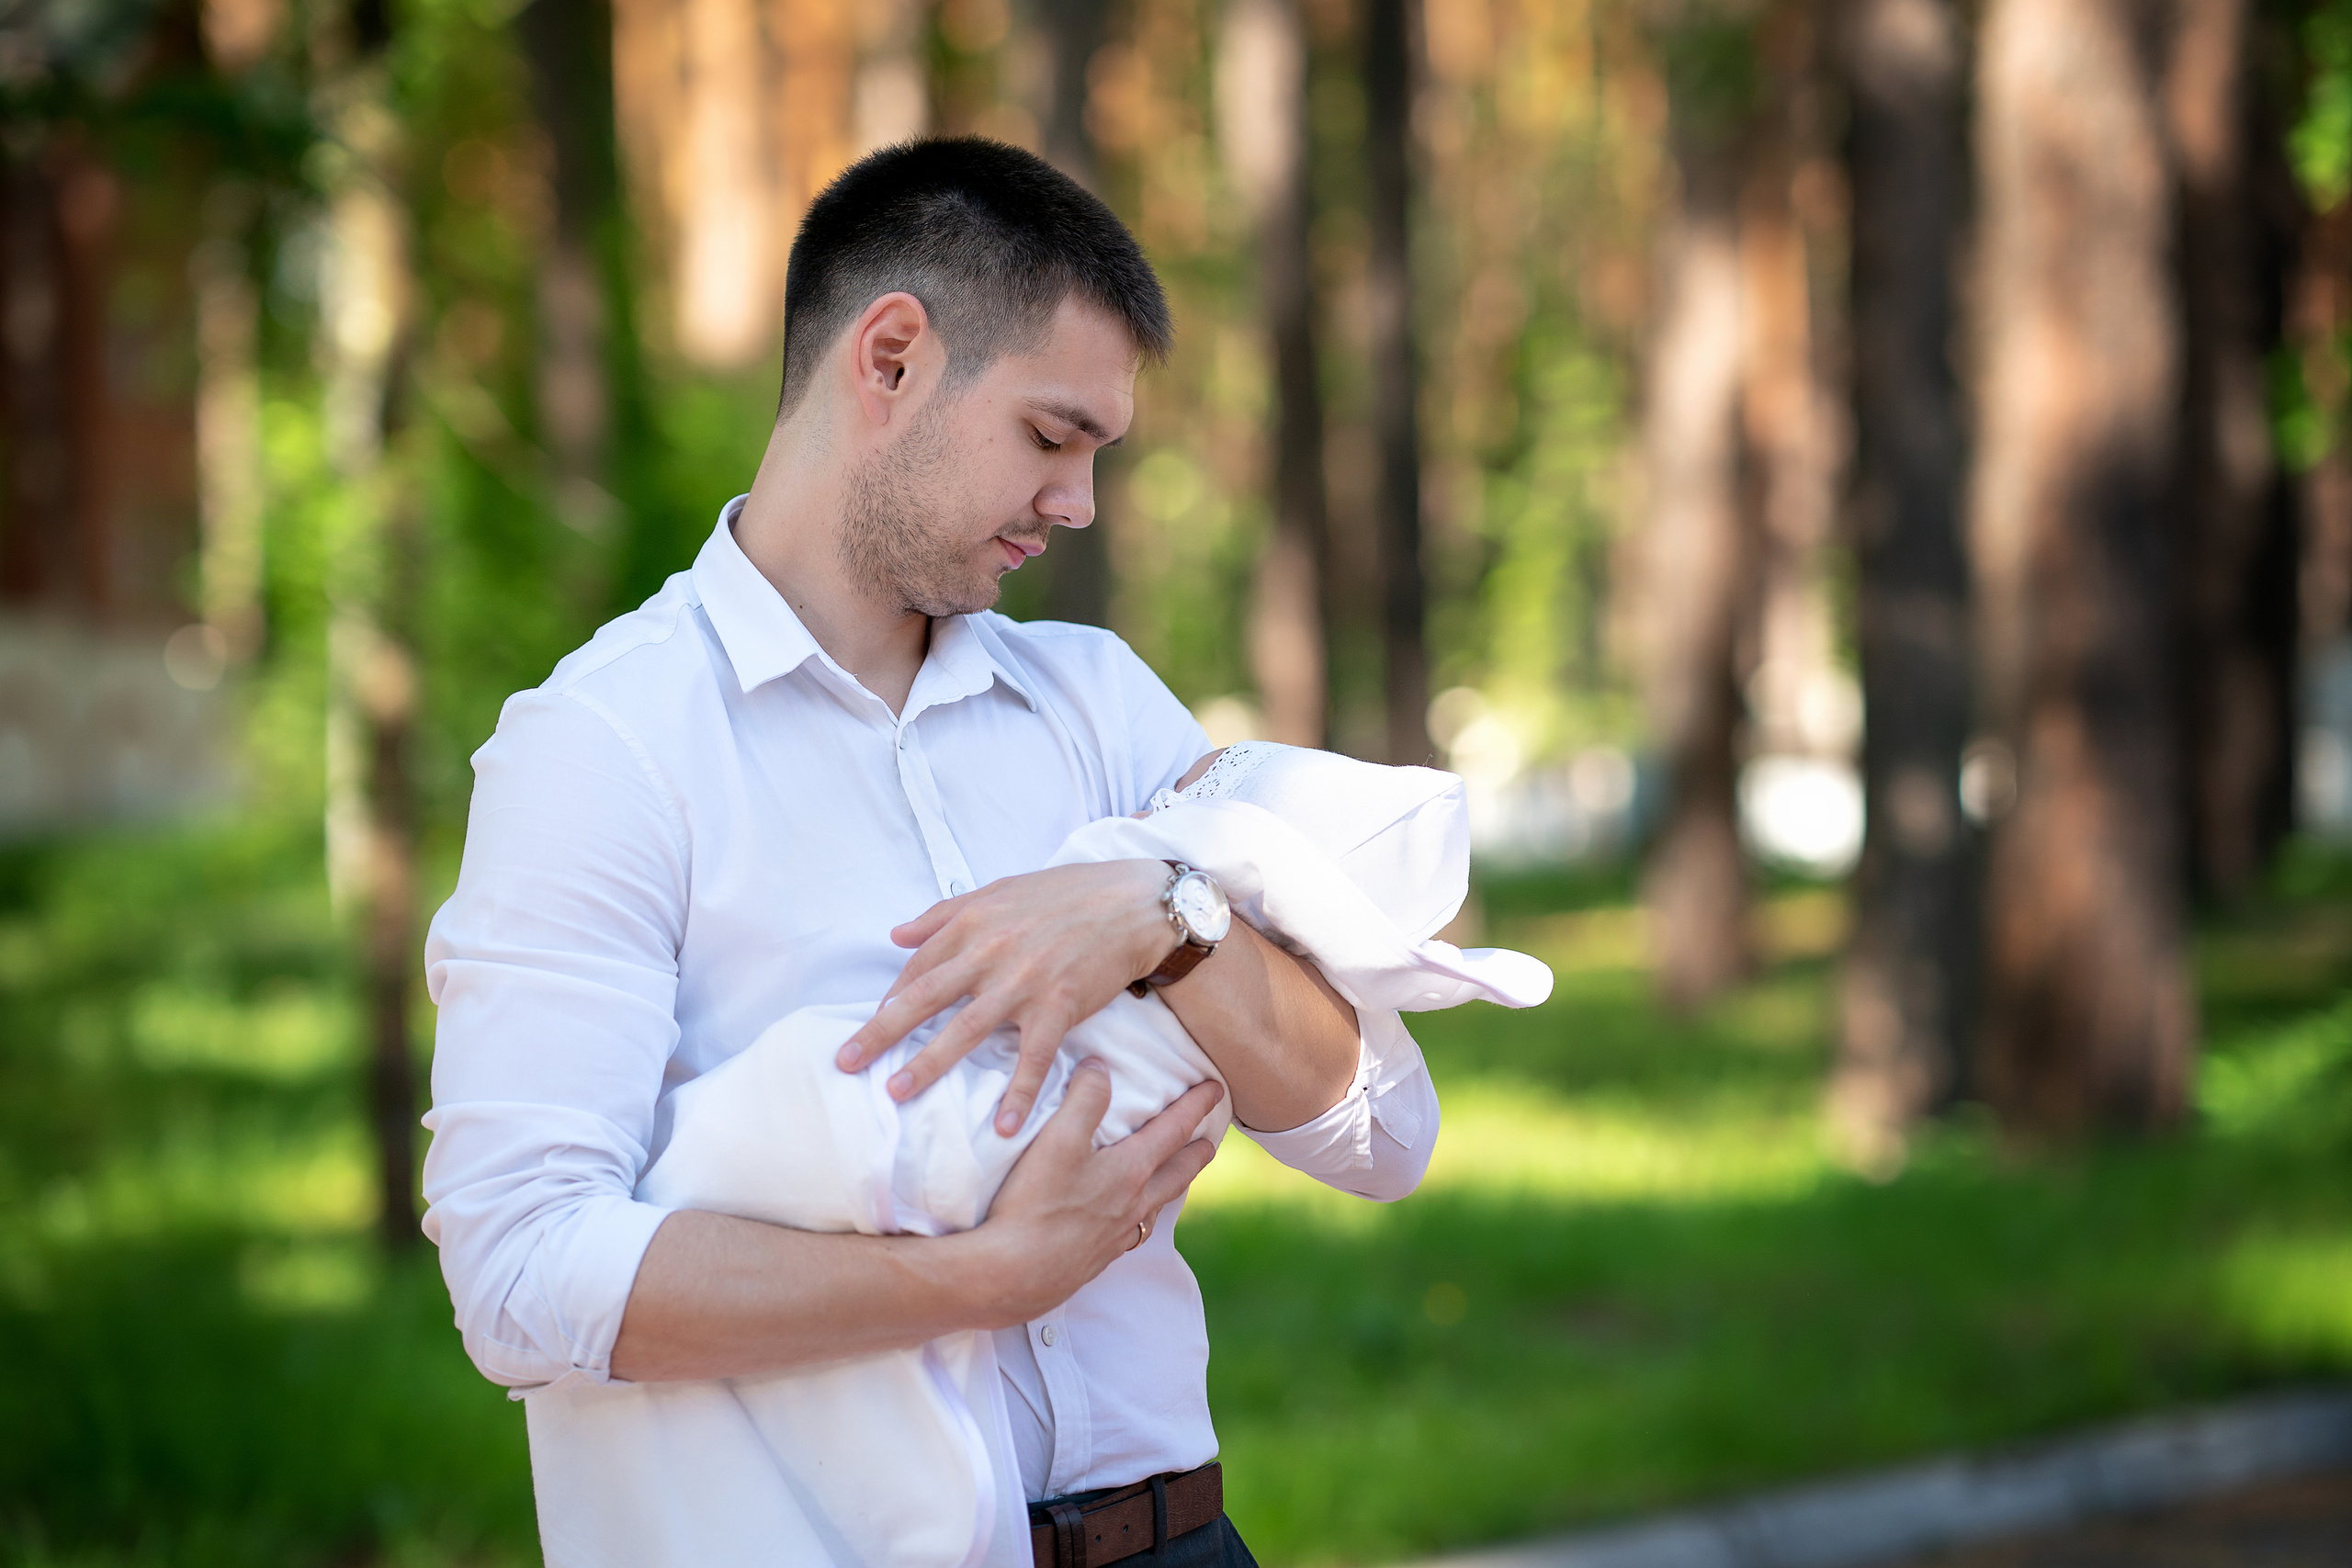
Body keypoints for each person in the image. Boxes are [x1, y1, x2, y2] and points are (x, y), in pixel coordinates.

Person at [420, 137, 1442, 1568]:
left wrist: (1169, 920)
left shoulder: (1096, 705)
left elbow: (1383, 1139)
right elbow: (522, 1281)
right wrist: (980, 1281)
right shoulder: (605, 749)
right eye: (1050, 437)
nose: (1078, 503)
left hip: (1178, 1544)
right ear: (890, 359)